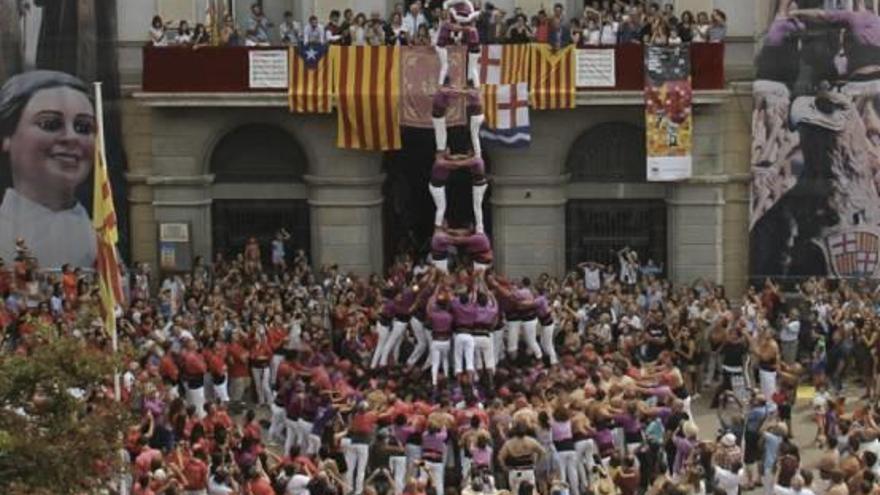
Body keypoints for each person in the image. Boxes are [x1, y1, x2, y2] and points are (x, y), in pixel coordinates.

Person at [0, 70, 98, 268]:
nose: (71, 137)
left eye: (83, 128)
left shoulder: (100, 235)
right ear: (7, 137)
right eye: (49, 124)